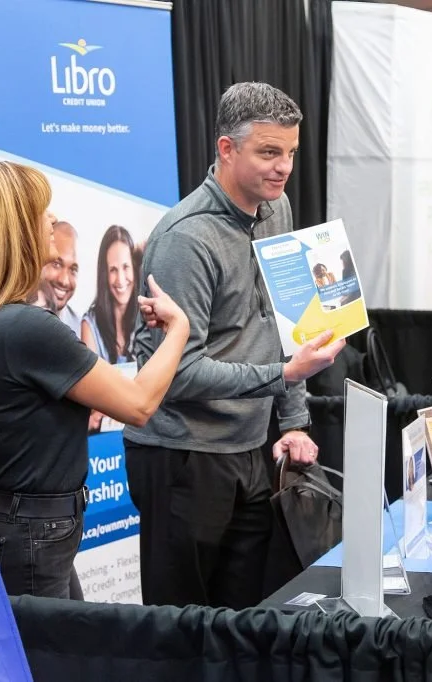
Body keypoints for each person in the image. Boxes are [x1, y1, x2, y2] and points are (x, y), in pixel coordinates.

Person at [0, 161, 191, 599]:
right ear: (14, 229)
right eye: (43, 212)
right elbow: (139, 404)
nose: (53, 221)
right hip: (32, 538)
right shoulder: (27, 329)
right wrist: (179, 330)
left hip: (10, 528)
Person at [123, 82, 345, 609]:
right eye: (268, 152)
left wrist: (292, 420)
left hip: (250, 449)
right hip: (183, 456)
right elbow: (174, 374)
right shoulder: (185, 239)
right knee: (182, 627)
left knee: (244, 622)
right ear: (226, 149)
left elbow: (280, 318)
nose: (283, 167)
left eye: (290, 153)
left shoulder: (278, 209)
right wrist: (285, 378)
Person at [81, 225, 140, 364]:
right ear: (104, 274)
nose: (120, 279)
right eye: (113, 270)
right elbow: (91, 385)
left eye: (126, 267)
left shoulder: (146, 317)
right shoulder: (90, 325)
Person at [43, 220, 80, 334]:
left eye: (73, 270)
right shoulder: (11, 312)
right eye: (56, 264)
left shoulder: (80, 331)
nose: (64, 281)